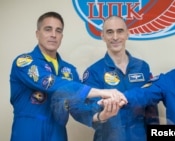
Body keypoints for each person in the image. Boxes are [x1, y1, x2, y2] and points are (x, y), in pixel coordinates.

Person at [9, 11, 127, 141]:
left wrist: (101, 115)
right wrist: (101, 92)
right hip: (28, 134)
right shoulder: (24, 62)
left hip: (57, 135)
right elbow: (51, 83)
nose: (53, 35)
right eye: (48, 29)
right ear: (37, 34)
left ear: (61, 36)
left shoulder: (69, 70)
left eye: (58, 31)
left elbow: (78, 108)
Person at [73, 15, 159, 141]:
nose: (115, 37)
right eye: (109, 32)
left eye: (120, 31)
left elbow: (151, 108)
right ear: (103, 36)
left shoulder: (142, 67)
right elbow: (84, 108)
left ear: (127, 34)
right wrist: (102, 114)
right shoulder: (94, 72)